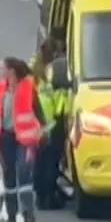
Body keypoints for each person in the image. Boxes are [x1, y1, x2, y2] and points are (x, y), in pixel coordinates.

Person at [0, 57, 42, 222]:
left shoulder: (28, 88)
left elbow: (38, 113)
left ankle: (28, 214)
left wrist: (41, 133)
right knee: (8, 176)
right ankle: (12, 215)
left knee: (24, 174)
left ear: (12, 71)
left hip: (25, 138)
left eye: (3, 68)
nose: (1, 71)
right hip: (5, 137)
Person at [32, 38, 71, 209]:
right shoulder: (55, 70)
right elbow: (62, 95)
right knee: (51, 161)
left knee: (39, 161)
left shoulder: (33, 68)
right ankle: (48, 198)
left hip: (35, 122)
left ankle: (41, 195)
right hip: (53, 121)